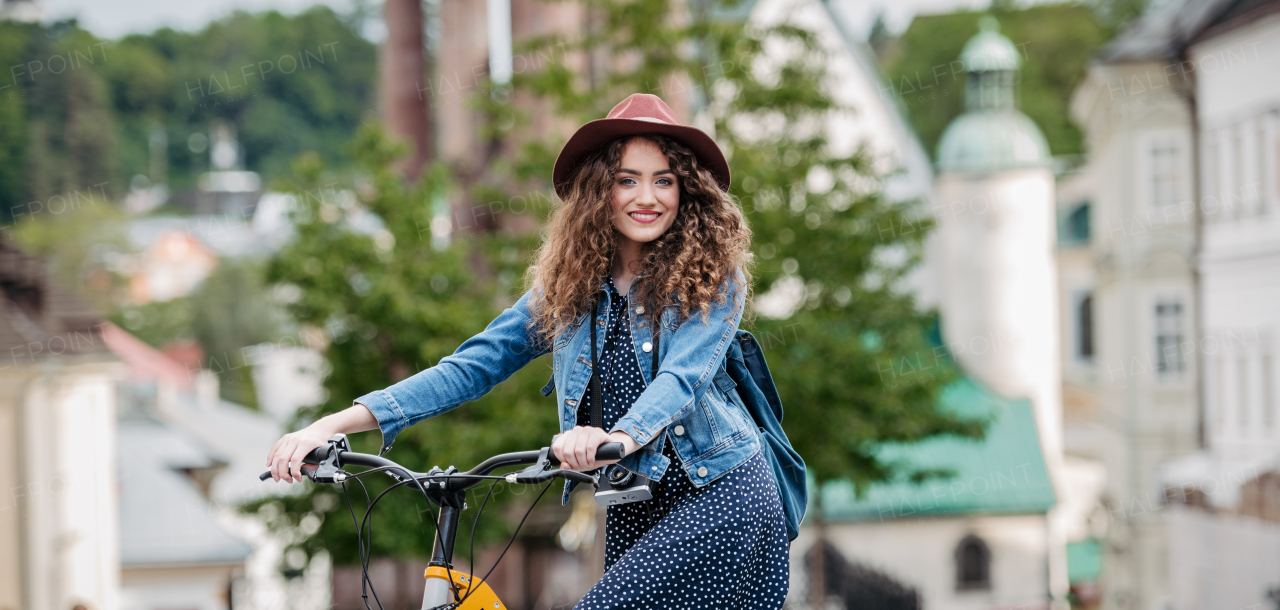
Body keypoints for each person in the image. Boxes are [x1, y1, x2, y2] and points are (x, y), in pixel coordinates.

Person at [265, 93, 789, 608]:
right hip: (637, 506)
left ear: (686, 191)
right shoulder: (569, 287)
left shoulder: (711, 275)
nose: (645, 197)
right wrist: (330, 424)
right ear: (598, 191)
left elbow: (681, 379)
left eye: (664, 181)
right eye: (626, 180)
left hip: (722, 494)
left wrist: (615, 436)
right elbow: (473, 365)